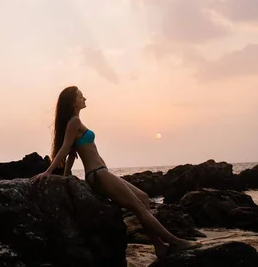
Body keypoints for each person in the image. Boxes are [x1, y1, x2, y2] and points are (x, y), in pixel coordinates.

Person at [30, 85, 201, 258]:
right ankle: (175, 242)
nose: (85, 99)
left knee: (143, 198)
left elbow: (72, 154)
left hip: (100, 172)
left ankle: (159, 246)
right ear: (73, 102)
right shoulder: (74, 122)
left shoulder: (76, 122)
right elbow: (65, 149)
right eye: (81, 96)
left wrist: (66, 176)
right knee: (138, 207)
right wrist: (49, 172)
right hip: (98, 174)